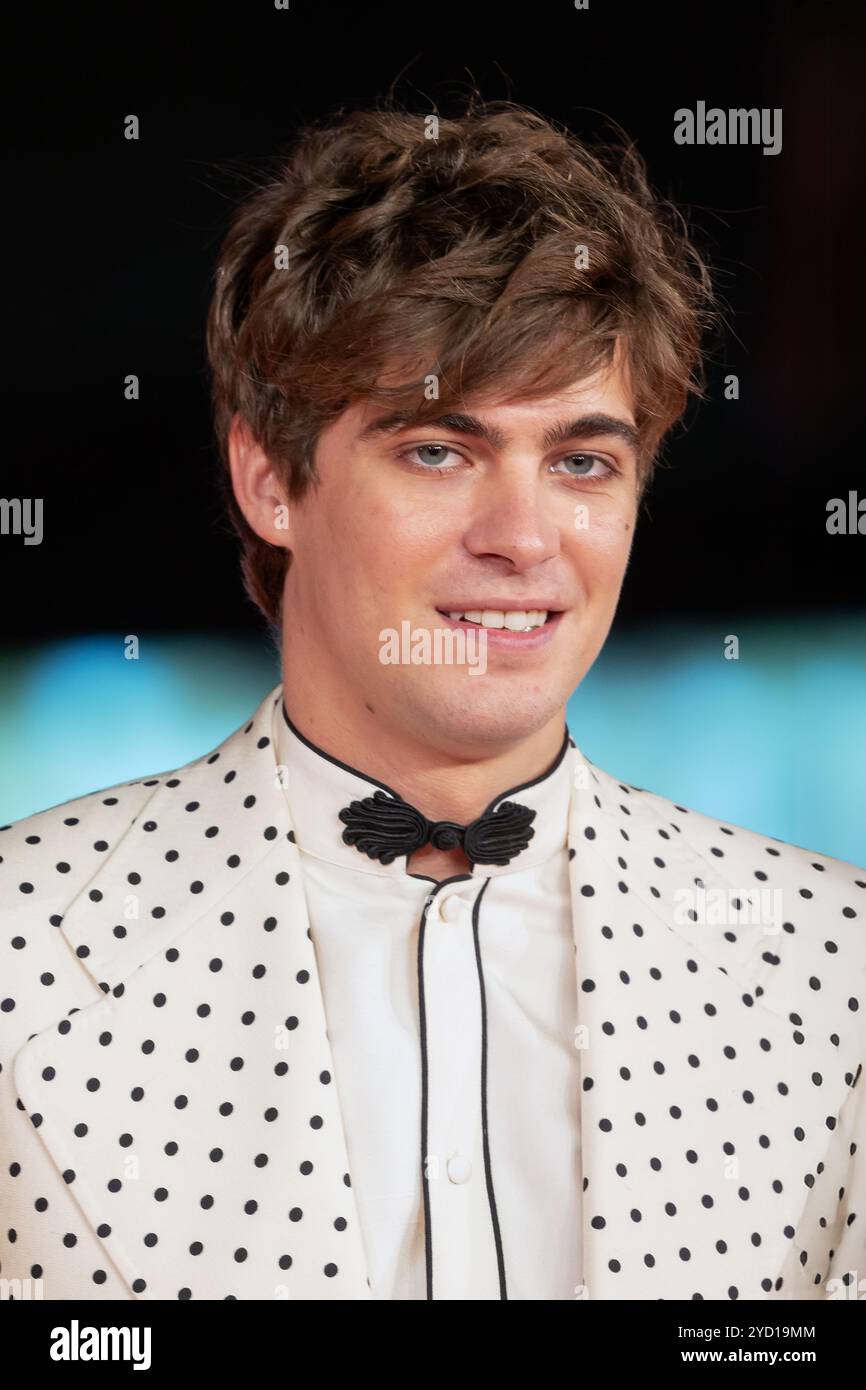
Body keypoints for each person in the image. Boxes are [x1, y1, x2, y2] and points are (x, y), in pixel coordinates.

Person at [2, 100, 864, 1303]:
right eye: (436, 450)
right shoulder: (21, 942)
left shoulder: (834, 964)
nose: (522, 539)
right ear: (268, 479)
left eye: (580, 461)